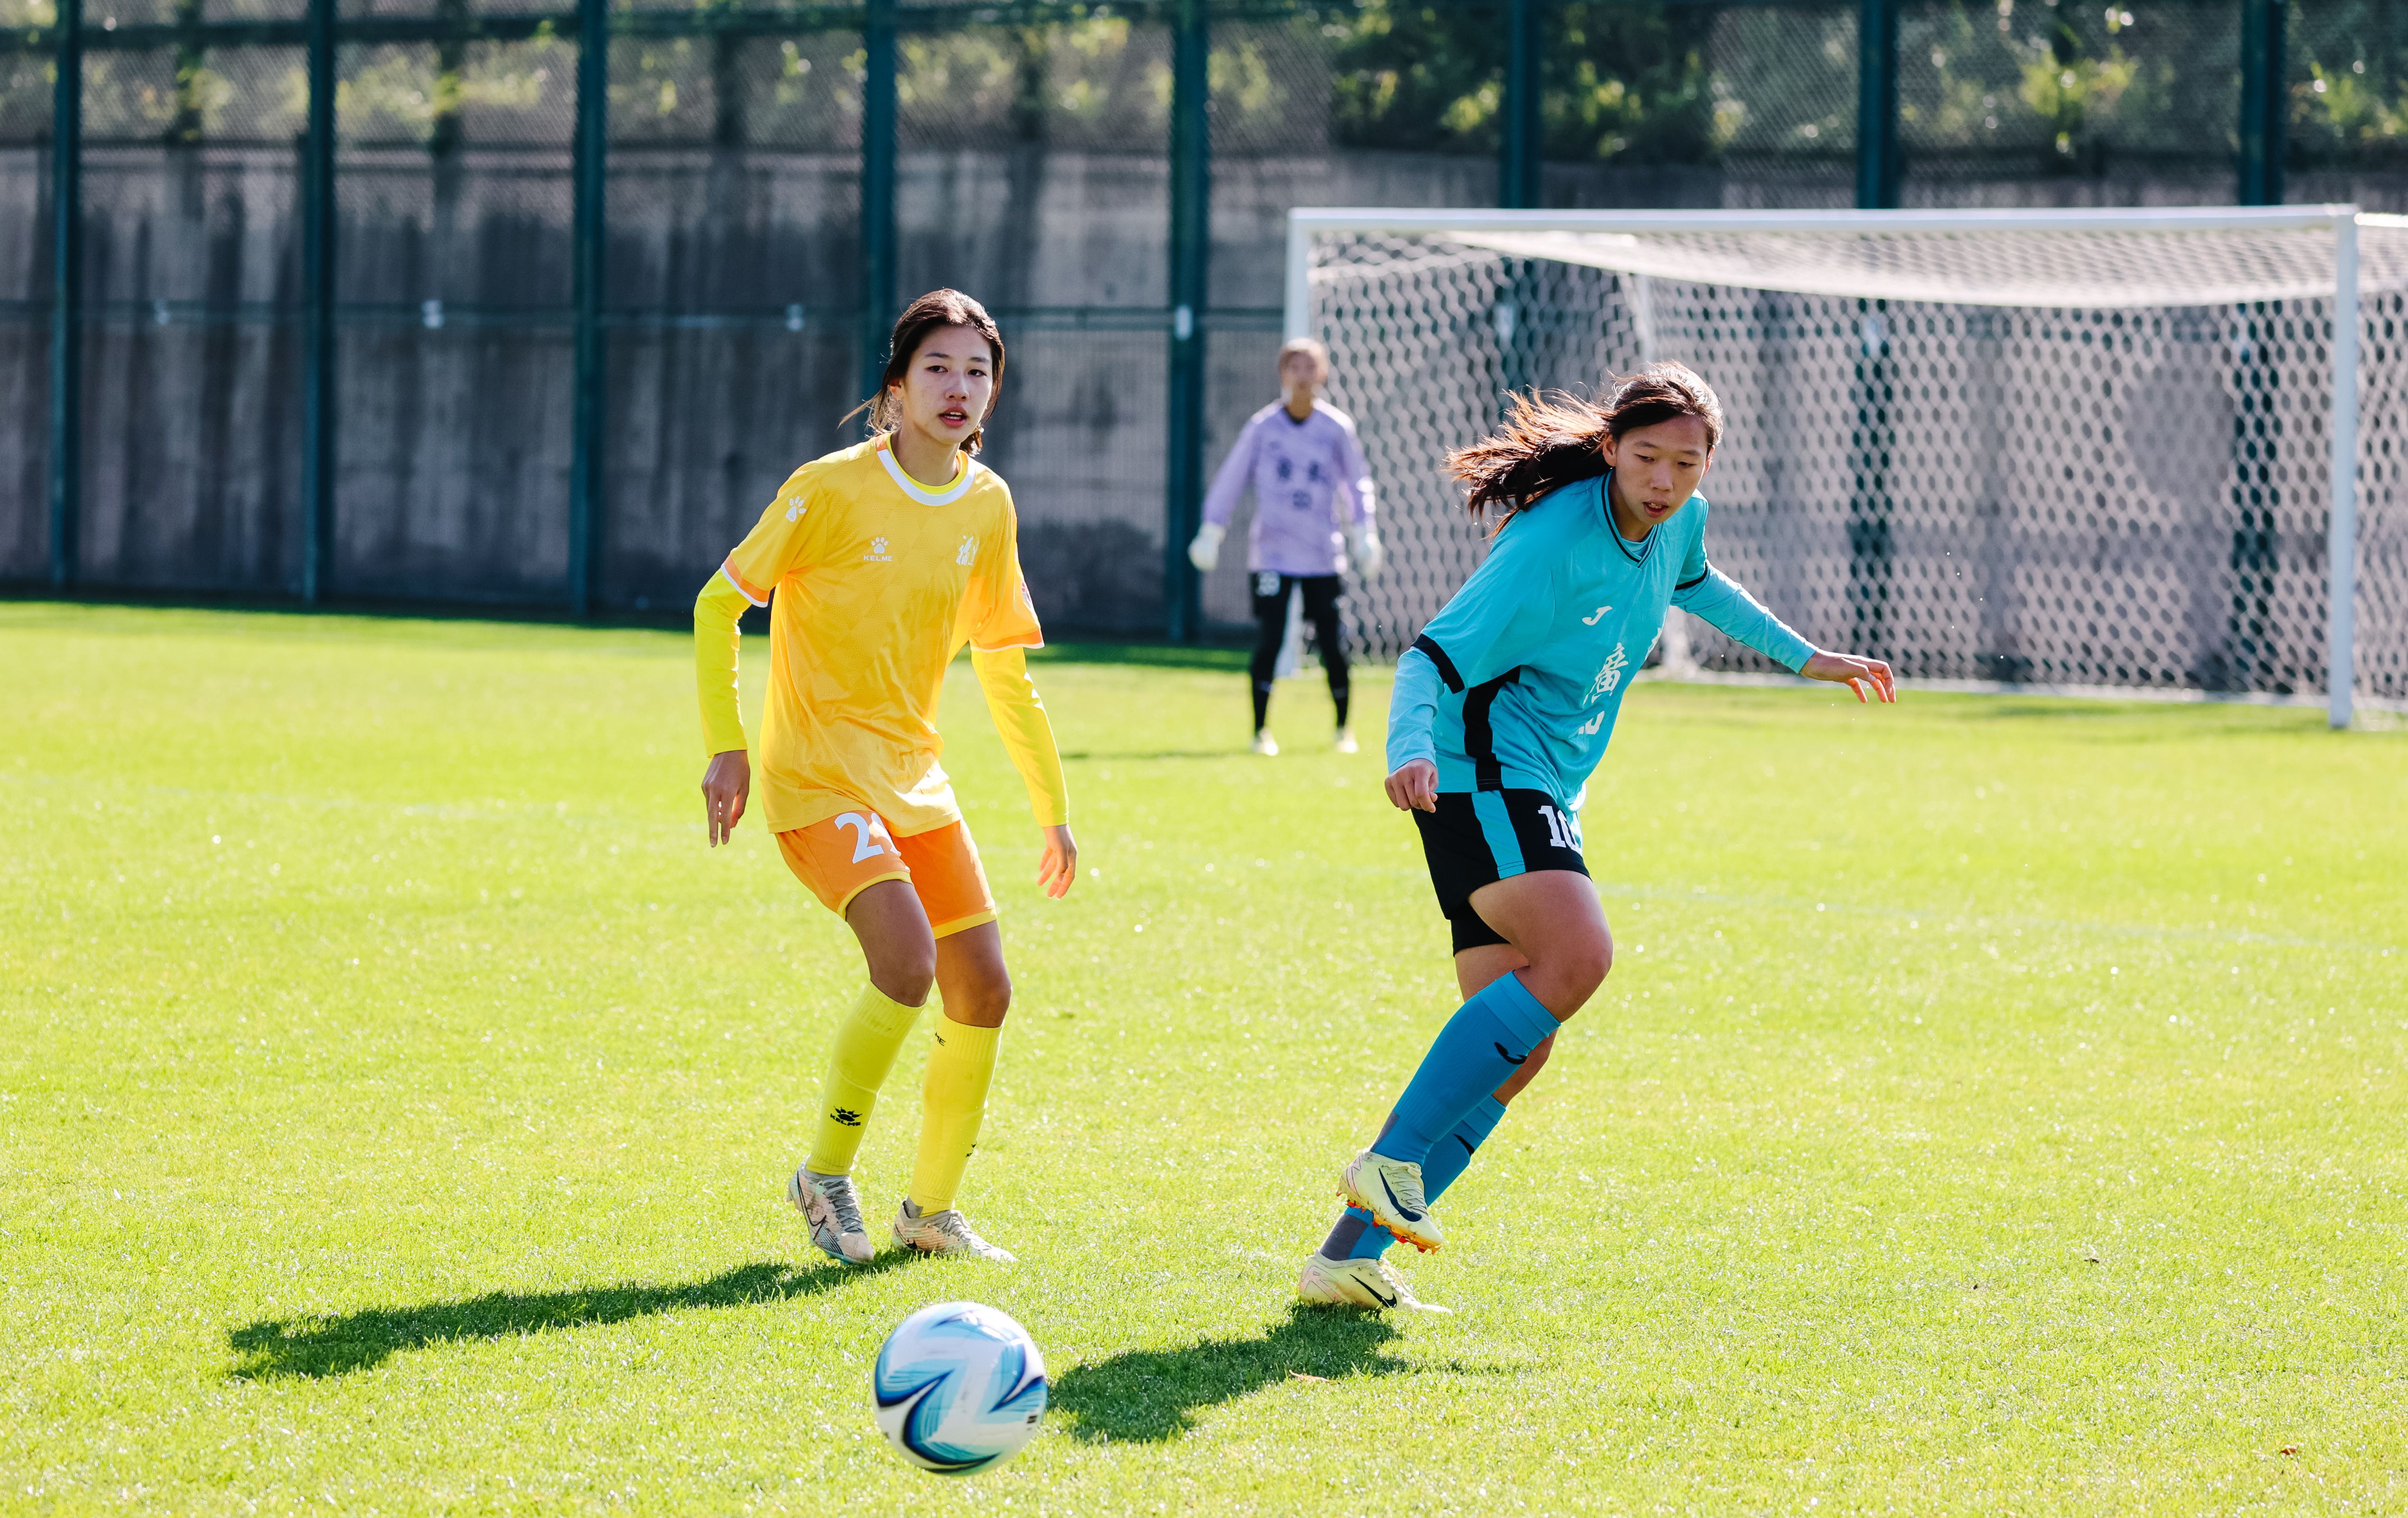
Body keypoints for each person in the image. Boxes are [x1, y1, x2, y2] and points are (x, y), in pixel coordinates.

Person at [1297, 363, 1897, 1312]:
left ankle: (1346, 1258)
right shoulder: (1549, 540)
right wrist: (1410, 750)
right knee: (1579, 955)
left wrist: (1806, 656)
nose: (1663, 481)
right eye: (1646, 457)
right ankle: (1388, 1161)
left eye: (1685, 465)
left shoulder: (1675, 524)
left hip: (1533, 781)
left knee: (1519, 1046)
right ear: (1611, 448)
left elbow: (1705, 587)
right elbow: (1432, 653)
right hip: (1481, 769)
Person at [694, 289, 1076, 1266]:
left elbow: (1004, 669)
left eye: (977, 371)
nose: (959, 388)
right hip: (816, 777)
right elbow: (715, 605)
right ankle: (823, 1175)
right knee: (905, 961)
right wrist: (727, 743)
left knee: (982, 986)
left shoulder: (987, 504)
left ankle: (930, 1213)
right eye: (939, 368)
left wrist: (1052, 810)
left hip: (914, 777)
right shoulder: (827, 489)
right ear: (896, 385)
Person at [1188, 337, 1383, 756]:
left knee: (1332, 641)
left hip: (1321, 555)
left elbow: (1356, 482)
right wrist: (1212, 529)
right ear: (1282, 374)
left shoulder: (1336, 428)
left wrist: (1364, 531)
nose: (1302, 374)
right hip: (1272, 555)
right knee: (1270, 639)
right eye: (1294, 366)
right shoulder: (1263, 427)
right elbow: (1232, 477)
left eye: (1310, 366)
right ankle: (1260, 732)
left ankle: (1342, 730)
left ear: (1323, 374)